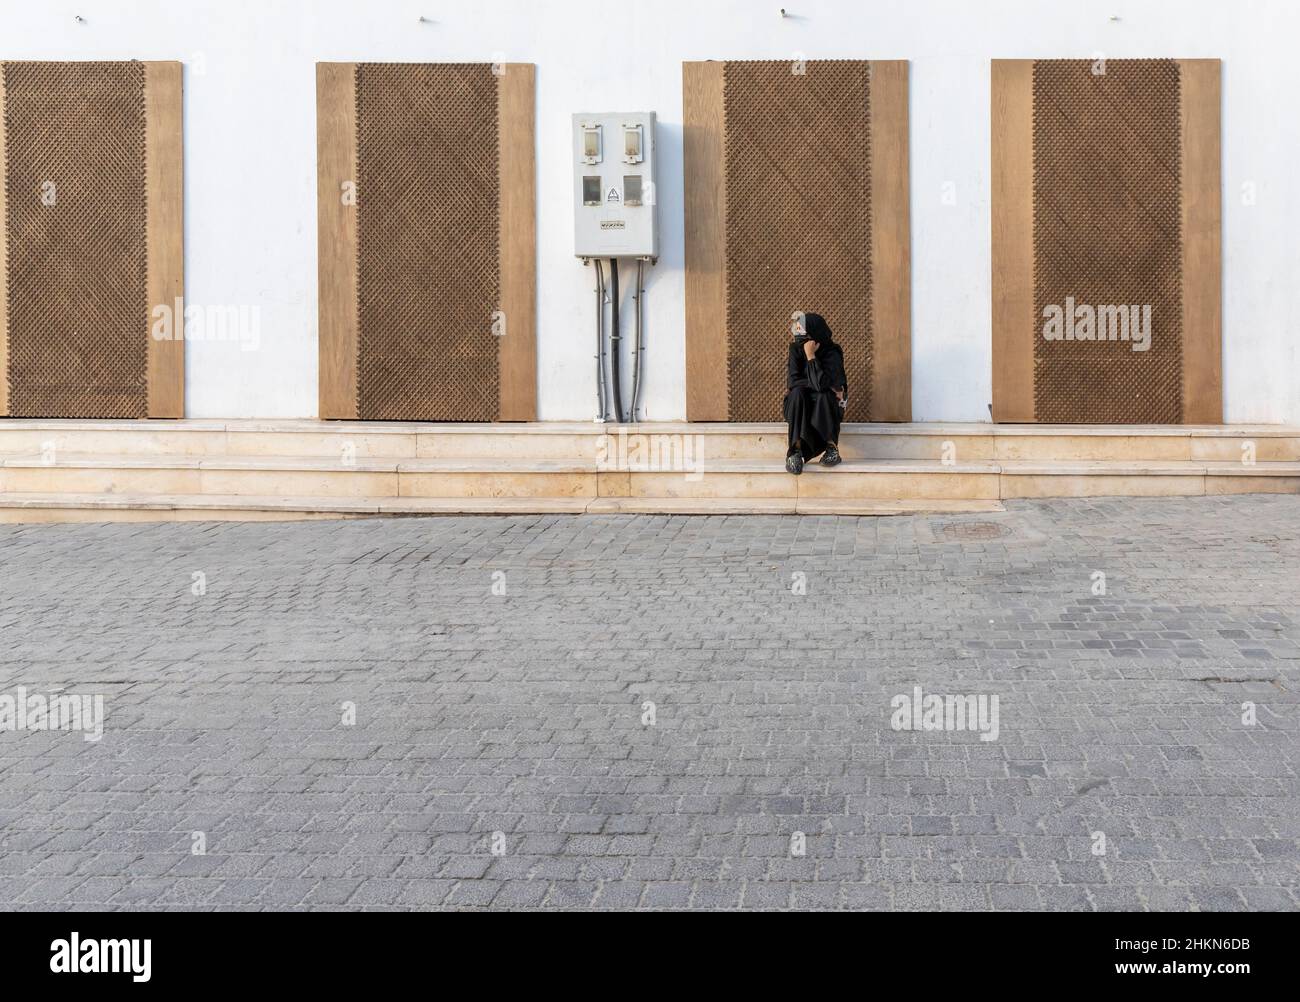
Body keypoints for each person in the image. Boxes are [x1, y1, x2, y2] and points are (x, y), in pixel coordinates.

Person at [783, 312, 847, 475]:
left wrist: (811, 357)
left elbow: (827, 386)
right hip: (800, 403)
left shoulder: (833, 352)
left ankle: (831, 448)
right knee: (797, 393)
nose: (802, 341)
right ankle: (795, 452)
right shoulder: (795, 350)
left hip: (826, 405)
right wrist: (822, 384)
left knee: (824, 396)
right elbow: (793, 382)